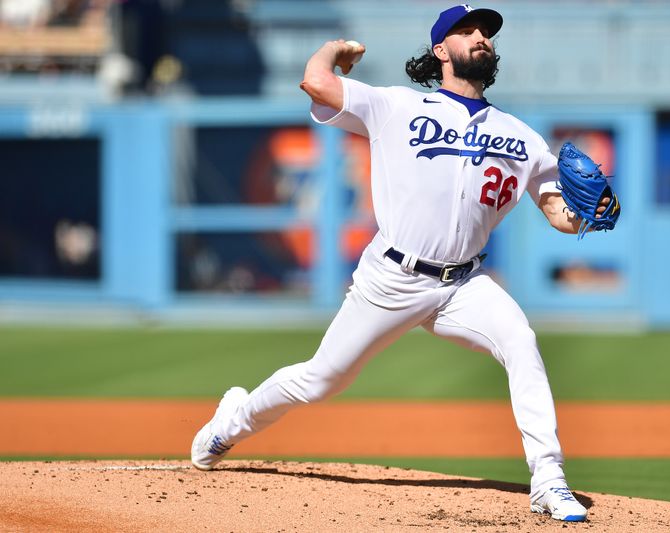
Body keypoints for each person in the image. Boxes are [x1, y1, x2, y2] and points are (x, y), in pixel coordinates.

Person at [191, 4, 614, 523]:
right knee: (321, 380)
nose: (481, 37)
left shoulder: (522, 137)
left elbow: (558, 213)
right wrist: (334, 50)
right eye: (467, 30)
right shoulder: (395, 106)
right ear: (441, 52)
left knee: (519, 340)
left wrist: (584, 216)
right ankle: (231, 423)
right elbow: (315, 82)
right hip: (392, 277)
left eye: (486, 31)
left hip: (464, 283)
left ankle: (549, 480)